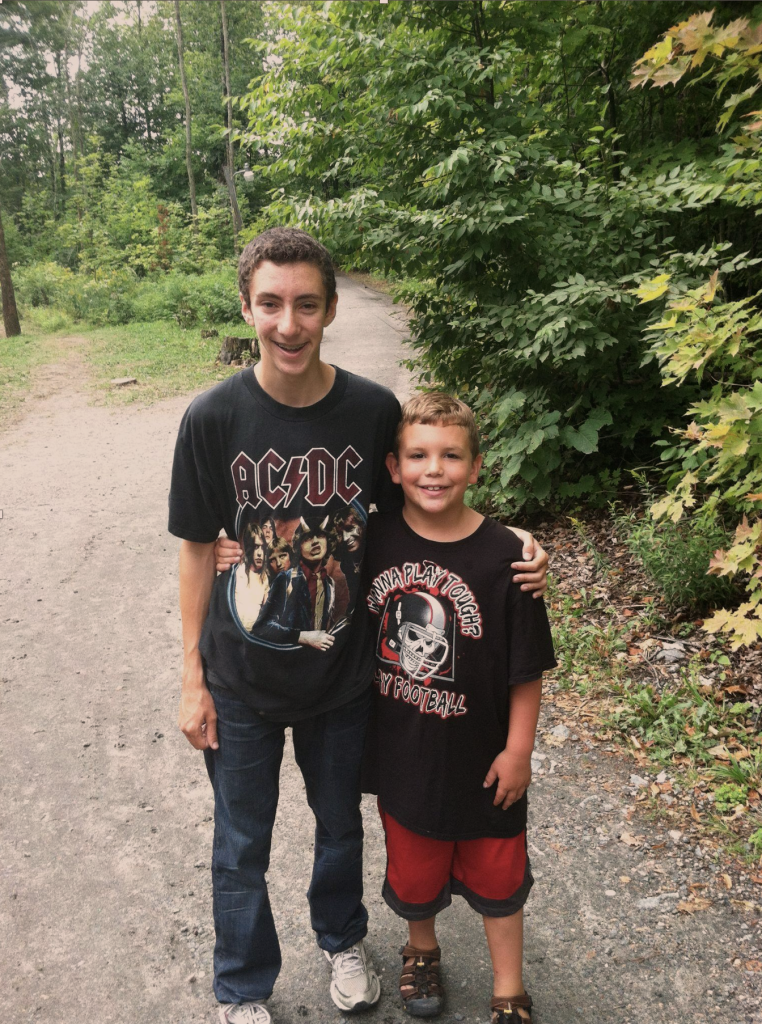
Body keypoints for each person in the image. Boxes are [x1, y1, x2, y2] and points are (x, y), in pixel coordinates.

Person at [170, 226, 549, 1024]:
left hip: (343, 679)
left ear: (333, 308)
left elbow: (423, 504)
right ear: (245, 308)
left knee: (340, 826)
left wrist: (508, 540)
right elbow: (198, 548)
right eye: (270, 304)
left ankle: (343, 941)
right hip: (240, 678)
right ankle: (242, 986)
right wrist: (191, 678)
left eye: (307, 304)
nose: (289, 324)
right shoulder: (212, 417)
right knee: (240, 844)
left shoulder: (372, 411)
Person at [362, 393, 557, 1024]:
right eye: (418, 455)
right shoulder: (372, 539)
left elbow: (526, 667)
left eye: (451, 456)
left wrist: (519, 750)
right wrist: (228, 549)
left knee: (500, 880)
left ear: (476, 466)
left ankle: (509, 990)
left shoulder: (509, 559)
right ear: (394, 467)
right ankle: (421, 951)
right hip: (404, 758)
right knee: (415, 875)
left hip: (484, 763)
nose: (434, 469)